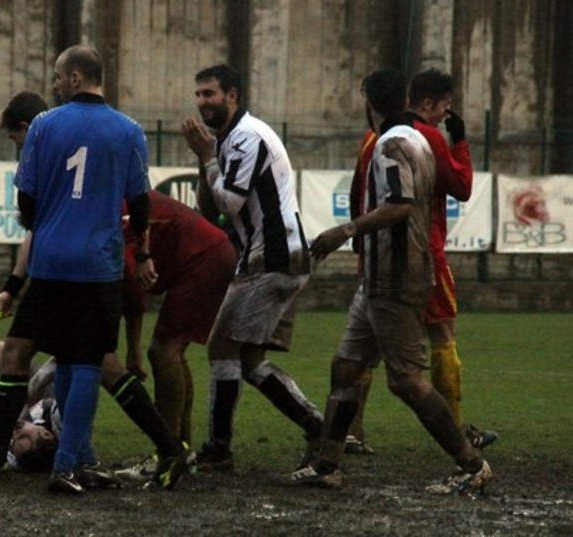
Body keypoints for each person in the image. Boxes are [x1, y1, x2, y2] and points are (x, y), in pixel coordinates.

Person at [0, 46, 191, 493]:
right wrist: (147, 255)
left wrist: (50, 223)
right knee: (87, 365)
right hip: (99, 265)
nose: (55, 84)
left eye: (58, 76)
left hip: (53, 261)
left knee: (19, 352)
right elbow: (138, 202)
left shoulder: (43, 125)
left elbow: (26, 198)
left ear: (76, 77)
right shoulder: (130, 130)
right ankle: (68, 464)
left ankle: (8, 456)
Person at [290, 68, 492, 495]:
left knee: (405, 380)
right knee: (345, 366)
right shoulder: (419, 139)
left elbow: (399, 207)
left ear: (369, 104)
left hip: (397, 276)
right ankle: (327, 463)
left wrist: (343, 231)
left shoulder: (391, 144)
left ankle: (471, 464)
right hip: (383, 276)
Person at [344, 68, 498, 454]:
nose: (447, 115)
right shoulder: (424, 136)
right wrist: (459, 142)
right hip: (421, 254)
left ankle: (351, 432)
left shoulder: (371, 140)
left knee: (364, 350)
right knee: (441, 338)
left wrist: (361, 250)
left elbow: (355, 193)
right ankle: (459, 434)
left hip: (377, 258)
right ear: (427, 103)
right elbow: (461, 188)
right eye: (446, 106)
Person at [181, 64, 324, 470]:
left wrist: (209, 157)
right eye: (199, 95)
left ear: (233, 95)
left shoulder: (246, 137)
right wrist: (203, 159)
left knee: (222, 346)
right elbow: (211, 211)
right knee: (249, 360)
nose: (202, 101)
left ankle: (220, 449)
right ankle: (318, 427)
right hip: (273, 255)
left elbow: (230, 204)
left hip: (273, 256)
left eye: (210, 93)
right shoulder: (228, 141)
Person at [114, 189, 237, 482]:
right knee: (172, 352)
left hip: (204, 258)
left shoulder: (110, 208)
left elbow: (131, 280)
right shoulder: (115, 197)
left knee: (163, 352)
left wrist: (133, 348)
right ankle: (181, 449)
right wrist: (132, 348)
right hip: (210, 254)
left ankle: (167, 453)